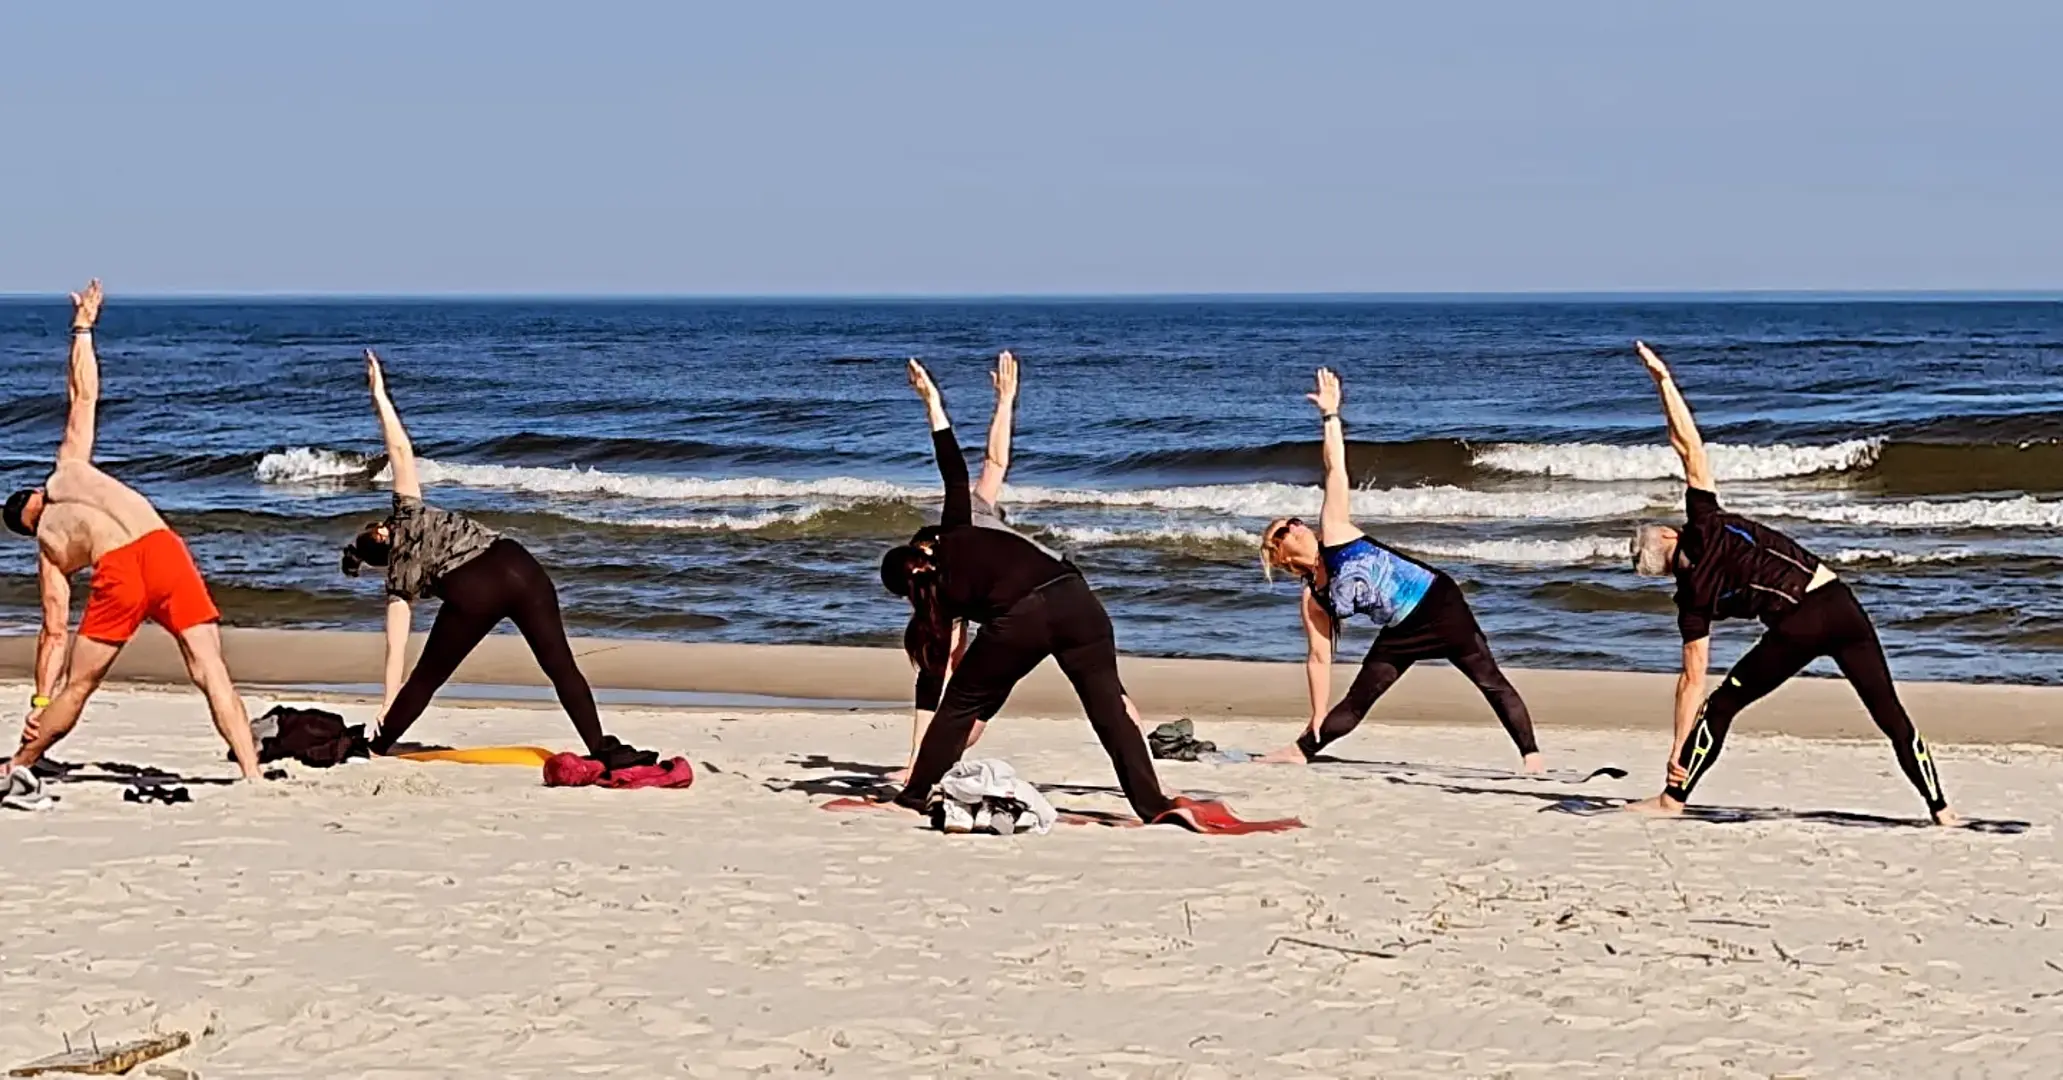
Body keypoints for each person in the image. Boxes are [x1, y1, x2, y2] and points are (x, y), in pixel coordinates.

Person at [1624, 342, 1956, 824]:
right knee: (1891, 715)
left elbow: (1692, 680)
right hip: (1839, 604)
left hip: (1798, 627)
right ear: (1669, 533)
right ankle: (1942, 810)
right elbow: (1688, 446)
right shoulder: (1705, 523)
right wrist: (1663, 381)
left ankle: (1673, 798)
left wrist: (1679, 748)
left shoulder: (1691, 601)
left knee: (1723, 705)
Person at [880, 359, 1172, 821]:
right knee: (1109, 708)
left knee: (961, 706)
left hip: (1024, 615)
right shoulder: (955, 528)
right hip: (1077, 596)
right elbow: (956, 470)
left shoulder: (940, 602)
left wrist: (922, 756)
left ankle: (915, 794)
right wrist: (933, 403)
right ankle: (1153, 803)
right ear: (925, 547)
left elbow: (946, 681)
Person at [1, 281, 261, 779]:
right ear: (33, 497)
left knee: (78, 687)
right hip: (164, 548)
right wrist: (83, 328)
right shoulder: (66, 468)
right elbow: (83, 395)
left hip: (119, 567)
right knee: (211, 671)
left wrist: (40, 697)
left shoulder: (50, 548)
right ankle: (252, 773)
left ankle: (20, 762)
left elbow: (53, 632)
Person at [341, 350, 651, 767]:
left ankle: (379, 744)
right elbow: (399, 446)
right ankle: (601, 748)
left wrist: (387, 705)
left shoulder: (399, 580)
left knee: (428, 677)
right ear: (380, 531)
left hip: (475, 591)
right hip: (519, 564)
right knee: (562, 667)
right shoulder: (407, 509)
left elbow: (396, 650)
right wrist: (379, 392)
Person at [1256, 368, 1542, 770]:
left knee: (1489, 679)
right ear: (1281, 553)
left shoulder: (1336, 533)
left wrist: (1330, 416)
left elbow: (1335, 470)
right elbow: (1318, 658)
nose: (1297, 526)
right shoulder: (1314, 598)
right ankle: (1302, 750)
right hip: (1401, 631)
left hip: (1438, 603)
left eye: (1295, 521)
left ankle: (1532, 757)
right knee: (1357, 701)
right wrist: (1317, 712)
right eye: (1285, 529)